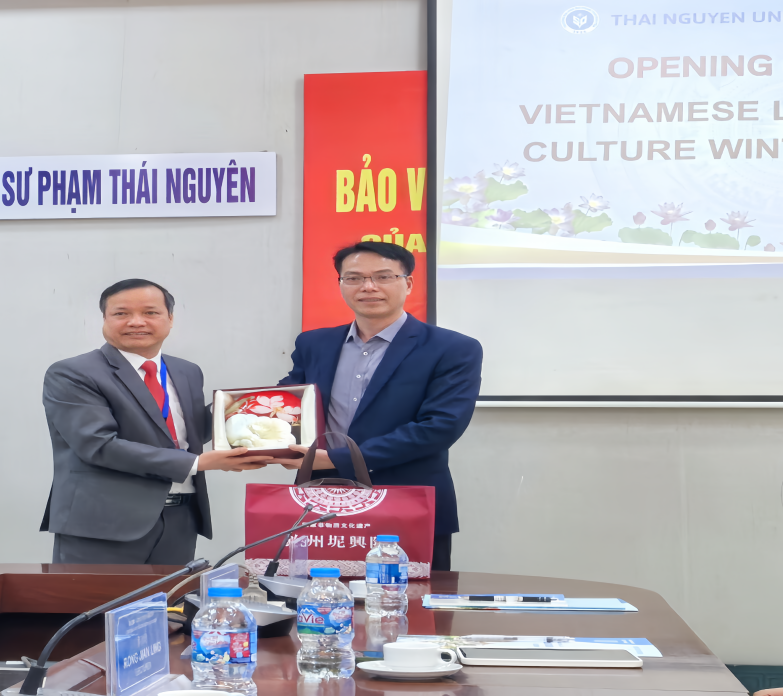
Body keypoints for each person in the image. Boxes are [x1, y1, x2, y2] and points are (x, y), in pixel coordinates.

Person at [268, 241, 482, 571]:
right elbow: (288, 403)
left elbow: (440, 427)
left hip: (407, 500)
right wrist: (249, 432)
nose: (368, 287)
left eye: (383, 276)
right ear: (341, 284)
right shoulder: (314, 343)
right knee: (318, 593)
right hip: (320, 498)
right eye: (354, 278)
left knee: (410, 597)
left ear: (408, 283)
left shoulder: (452, 348)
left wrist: (337, 458)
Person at [41, 279, 273, 564]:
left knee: (172, 595)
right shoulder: (73, 373)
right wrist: (198, 463)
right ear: (104, 318)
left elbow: (186, 432)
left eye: (150, 312)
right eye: (121, 313)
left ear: (170, 319)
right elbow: (98, 445)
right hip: (104, 525)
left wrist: (243, 409)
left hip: (181, 518)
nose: (136, 322)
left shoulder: (186, 371)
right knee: (100, 597)